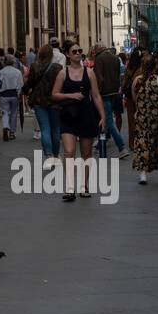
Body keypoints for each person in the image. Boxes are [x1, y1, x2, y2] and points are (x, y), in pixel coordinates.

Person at [51, 41, 104, 201]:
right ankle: (69, 188)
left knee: (86, 154)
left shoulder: (89, 73)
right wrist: (71, 95)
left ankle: (84, 186)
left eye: (80, 51)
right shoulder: (62, 73)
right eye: (74, 51)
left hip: (86, 115)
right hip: (68, 115)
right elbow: (54, 94)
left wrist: (103, 116)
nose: (78, 53)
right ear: (67, 54)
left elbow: (95, 95)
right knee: (68, 152)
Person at [130, 54, 158, 185]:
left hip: (142, 118)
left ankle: (143, 174)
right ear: (155, 65)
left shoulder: (137, 80)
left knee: (142, 144)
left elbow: (134, 98)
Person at [26, 44, 62, 158]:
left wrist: (23, 90)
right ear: (51, 54)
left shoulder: (34, 66)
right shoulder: (57, 67)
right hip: (55, 101)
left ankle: (48, 155)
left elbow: (30, 82)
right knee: (56, 129)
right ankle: (56, 155)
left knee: (45, 129)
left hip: (39, 101)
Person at [93, 43, 127, 158]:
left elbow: (99, 78)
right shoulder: (115, 58)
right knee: (107, 118)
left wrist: (97, 92)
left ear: (97, 50)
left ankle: (121, 147)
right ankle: (100, 143)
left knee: (108, 119)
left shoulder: (99, 58)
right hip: (114, 92)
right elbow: (119, 75)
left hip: (104, 93)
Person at [0, 54, 23, 143]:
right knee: (14, 113)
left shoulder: (1, 72)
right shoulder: (17, 72)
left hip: (4, 94)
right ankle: (12, 132)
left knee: (5, 112)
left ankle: (5, 126)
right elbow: (20, 84)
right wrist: (19, 94)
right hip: (14, 94)